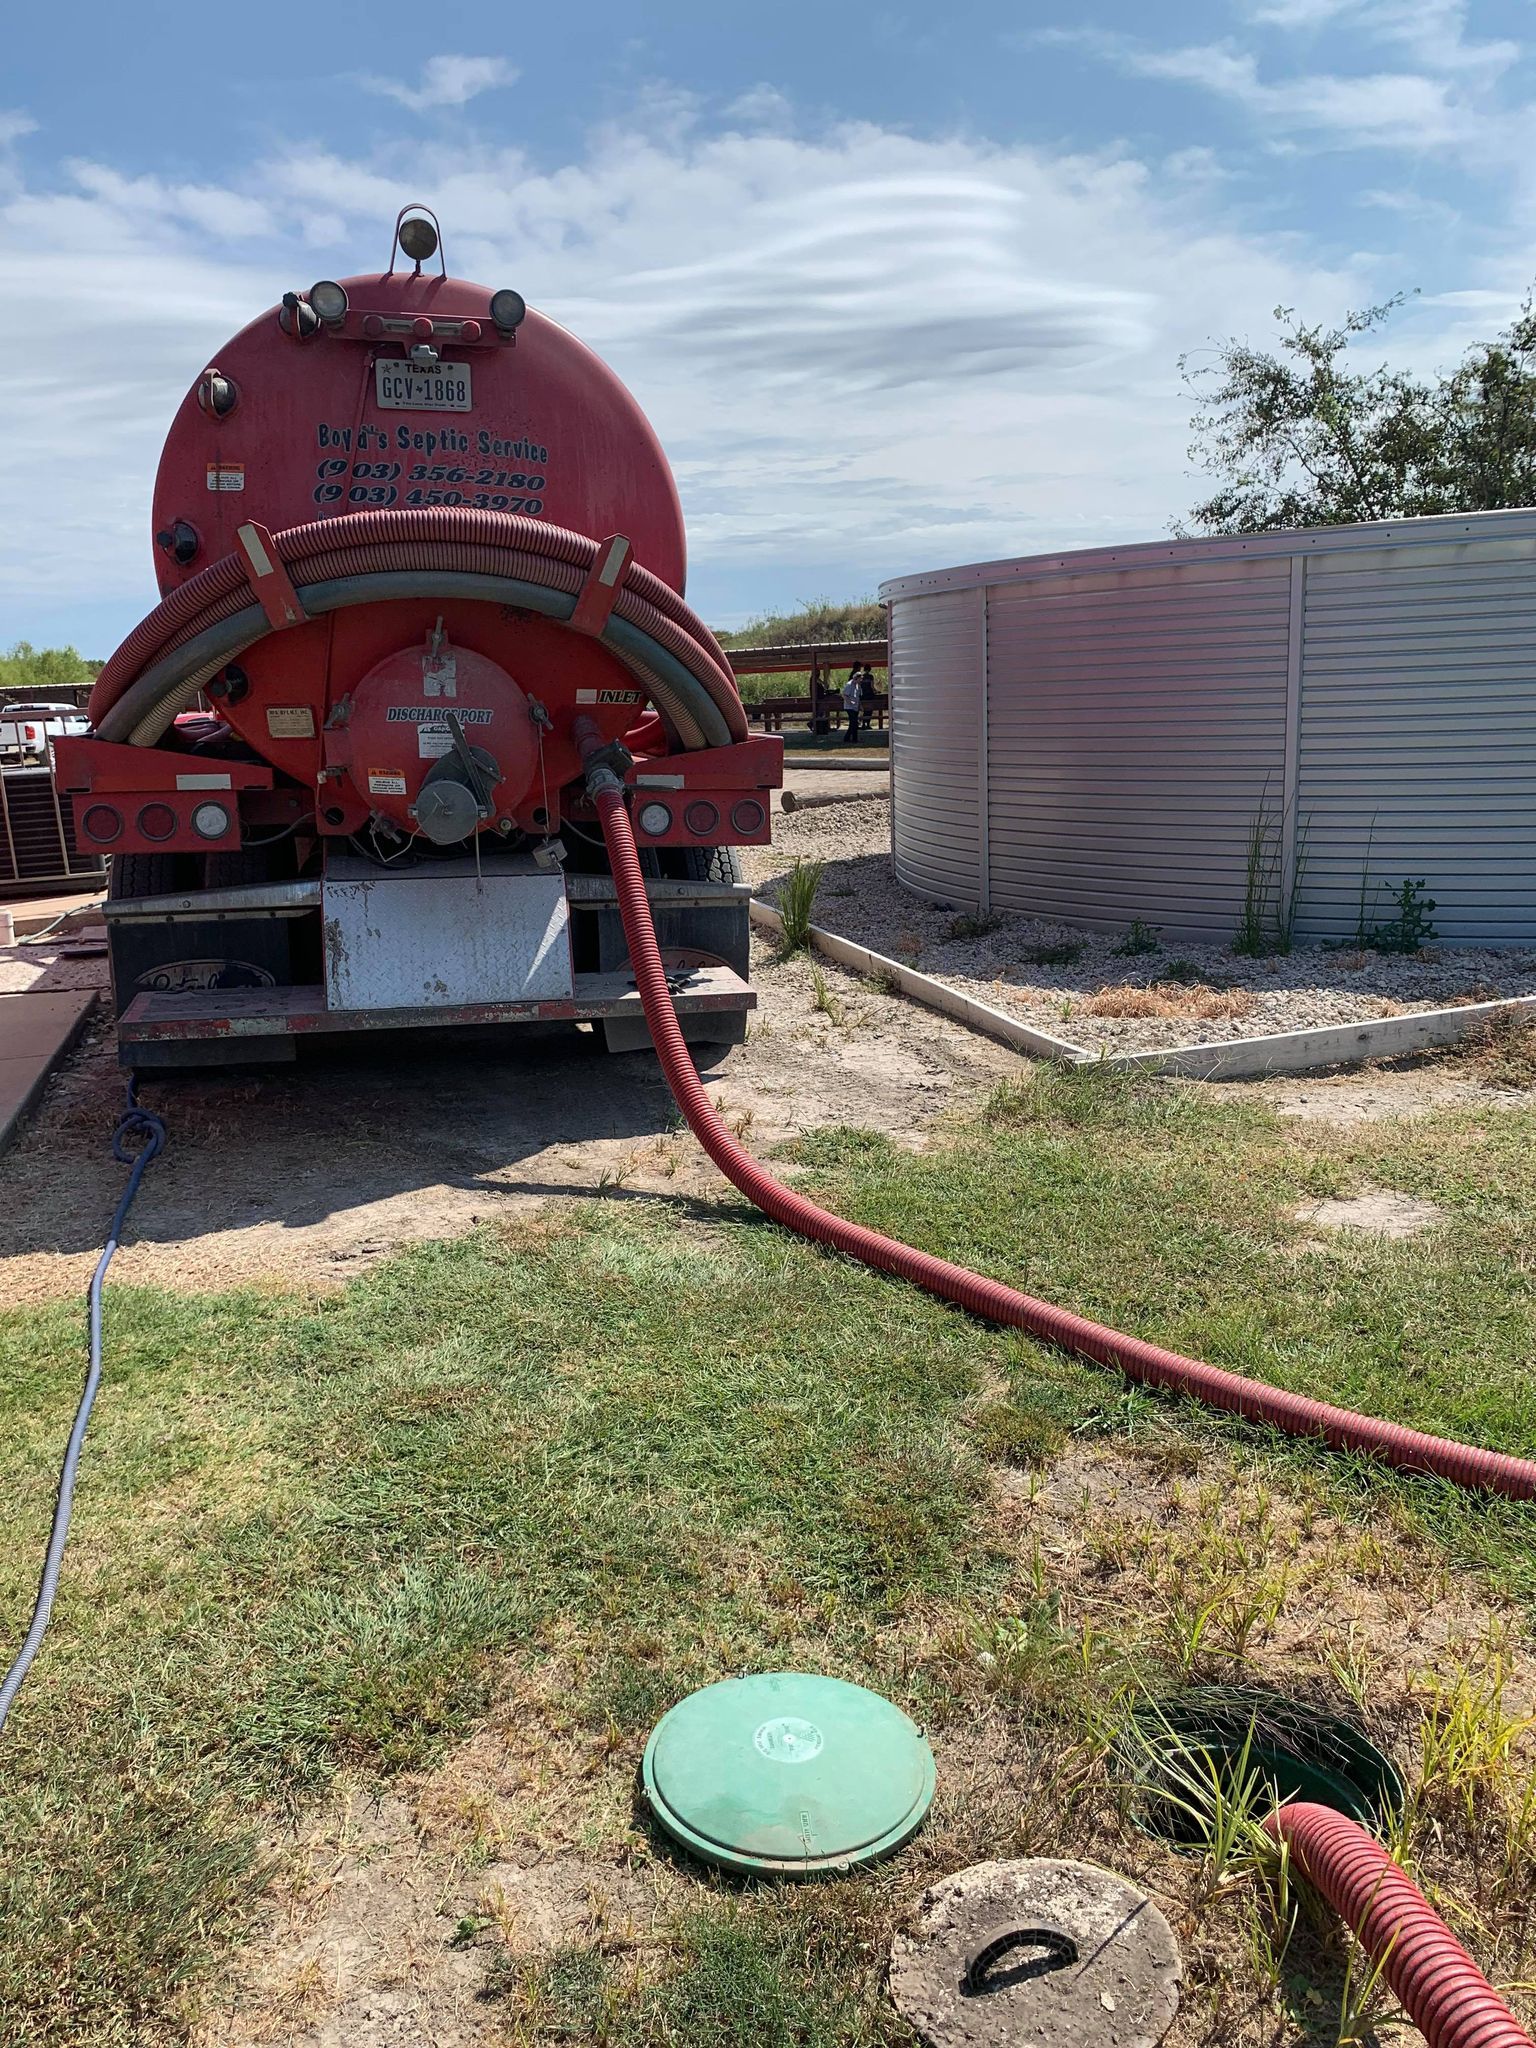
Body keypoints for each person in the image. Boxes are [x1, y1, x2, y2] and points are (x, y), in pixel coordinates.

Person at [842, 667, 863, 745]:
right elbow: (844, 695)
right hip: (849, 707)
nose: (861, 680)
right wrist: (850, 702)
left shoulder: (858, 686)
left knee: (853, 723)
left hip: (856, 707)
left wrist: (860, 706)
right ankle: (852, 739)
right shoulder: (849, 685)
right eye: (860, 679)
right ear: (856, 678)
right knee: (854, 722)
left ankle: (850, 738)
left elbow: (858, 697)